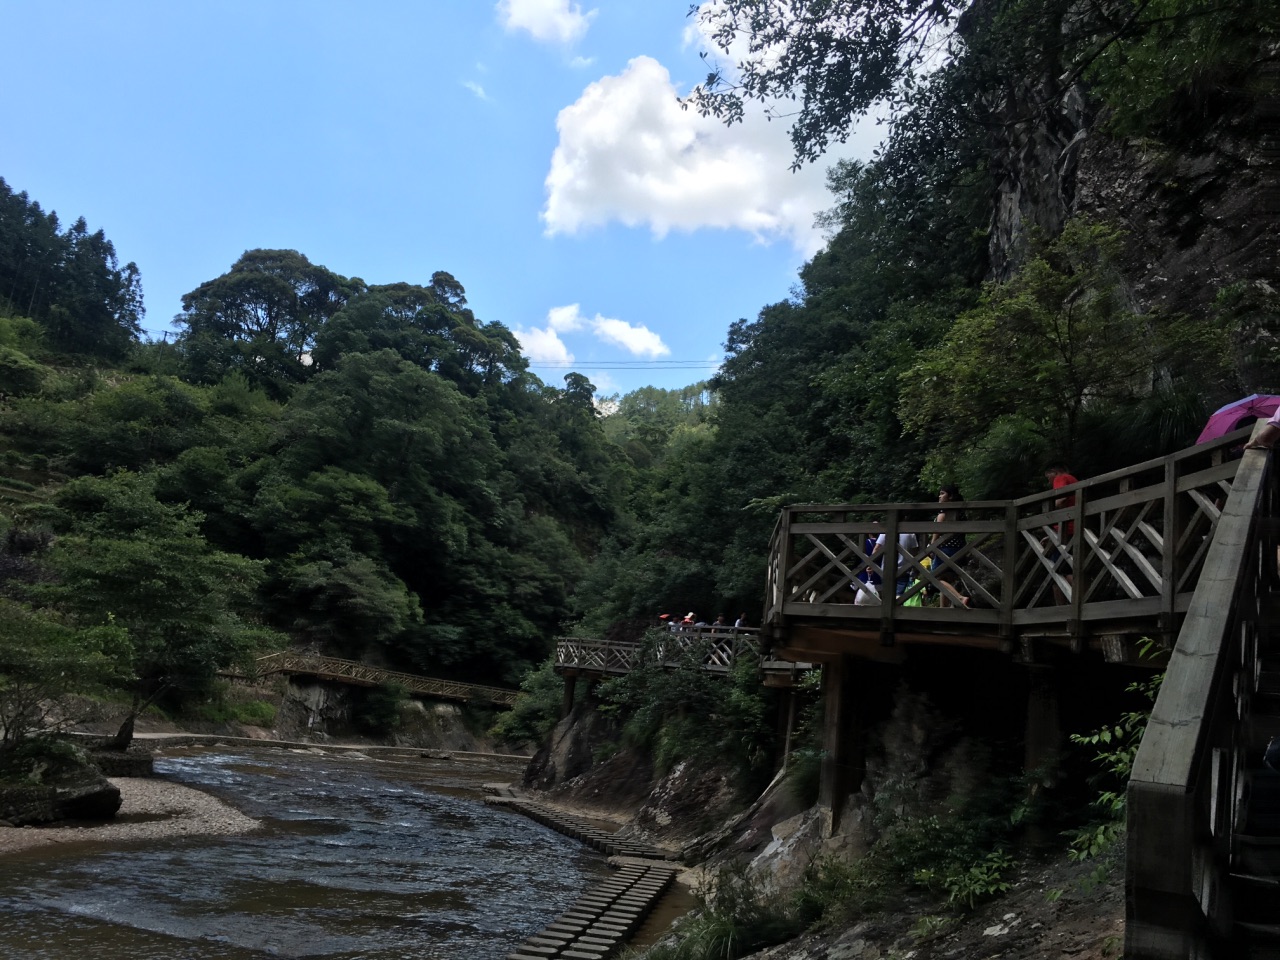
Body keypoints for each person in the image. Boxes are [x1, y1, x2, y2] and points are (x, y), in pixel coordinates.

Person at [1044, 463, 1079, 604]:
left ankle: (1063, 609)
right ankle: (1078, 604)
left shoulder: (1061, 478)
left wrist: (1057, 503)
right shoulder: (1074, 479)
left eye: (1048, 477)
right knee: (1071, 567)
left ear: (1054, 472)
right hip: (1075, 527)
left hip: (1065, 530)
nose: (1049, 481)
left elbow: (1060, 500)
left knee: (1058, 571)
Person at [931, 485, 971, 608]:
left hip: (945, 549)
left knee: (934, 578)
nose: (939, 496)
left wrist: (932, 545)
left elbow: (938, 529)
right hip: (960, 548)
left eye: (942, 493)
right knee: (948, 580)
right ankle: (944, 610)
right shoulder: (960, 512)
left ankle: (960, 598)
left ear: (951, 496)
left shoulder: (944, 511)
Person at [872, 528, 918, 601]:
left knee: (887, 594)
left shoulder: (886, 530)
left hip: (887, 568)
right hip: (904, 569)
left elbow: (877, 548)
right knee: (899, 595)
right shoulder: (910, 532)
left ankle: (886, 610)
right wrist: (914, 568)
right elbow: (914, 552)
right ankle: (898, 608)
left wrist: (870, 564)